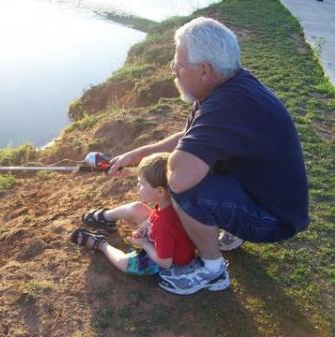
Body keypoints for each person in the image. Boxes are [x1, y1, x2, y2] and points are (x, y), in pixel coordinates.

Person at [108, 17, 309, 295]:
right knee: (196, 164)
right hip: (271, 199)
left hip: (274, 220)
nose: (174, 72)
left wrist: (156, 172)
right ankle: (231, 229)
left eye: (177, 65)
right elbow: (190, 138)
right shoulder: (229, 86)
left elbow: (179, 177)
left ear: (204, 69)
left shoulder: (226, 105)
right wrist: (138, 154)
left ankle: (211, 270)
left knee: (183, 188)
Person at [71, 153, 217, 285]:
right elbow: (161, 221)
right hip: (166, 239)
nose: (137, 186)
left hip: (168, 261)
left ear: (160, 191)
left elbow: (165, 262)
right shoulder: (172, 202)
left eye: (141, 183)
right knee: (136, 207)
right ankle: (106, 218)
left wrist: (145, 243)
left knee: (124, 263)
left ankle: (101, 244)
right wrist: (147, 224)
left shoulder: (163, 225)